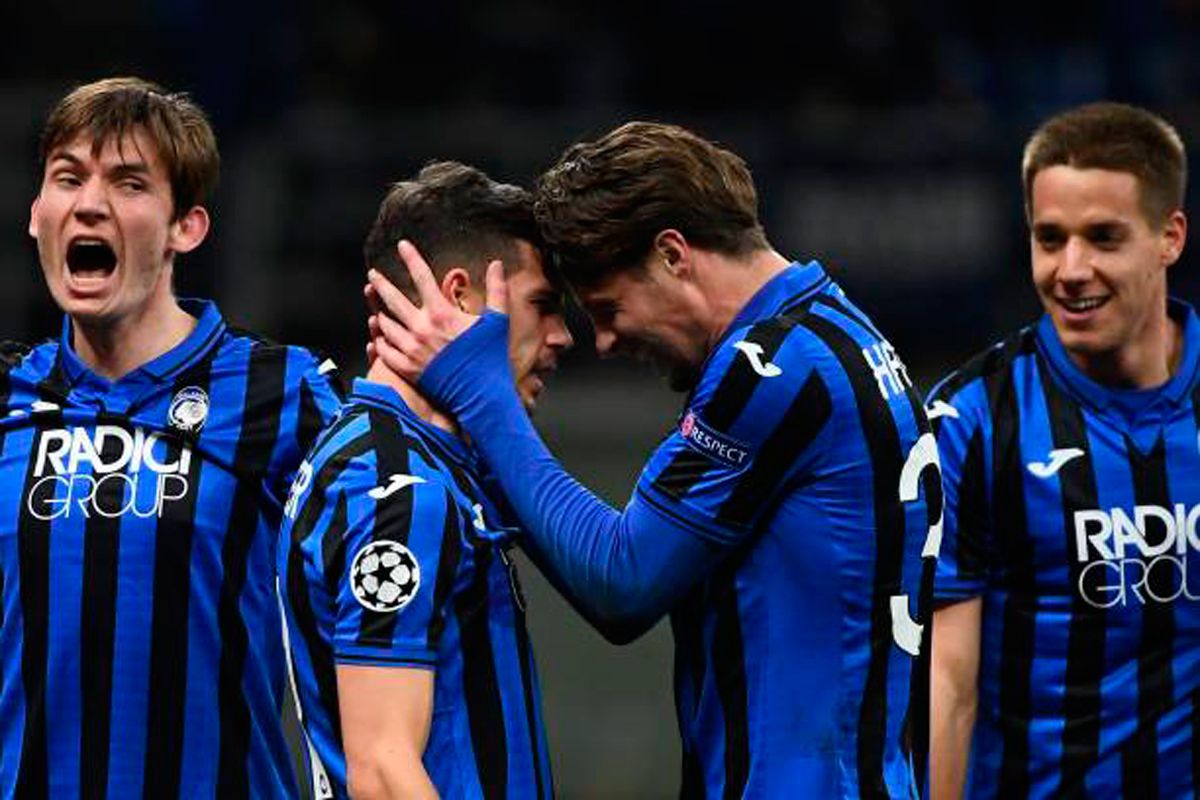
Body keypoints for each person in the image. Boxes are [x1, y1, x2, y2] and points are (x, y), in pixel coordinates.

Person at [367, 122, 941, 797]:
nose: (604, 342)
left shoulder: (773, 366)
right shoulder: (839, 332)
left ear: (673, 255)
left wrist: (480, 396)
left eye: (608, 309)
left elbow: (622, 579)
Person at [0, 77, 343, 798]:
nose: (89, 202)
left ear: (187, 226)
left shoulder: (283, 395)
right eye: (68, 178)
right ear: (37, 214)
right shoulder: (6, 398)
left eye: (129, 183)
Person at [277, 161, 572, 798]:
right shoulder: (399, 489)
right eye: (542, 305)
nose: (561, 336)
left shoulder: (373, 457)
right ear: (461, 295)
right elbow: (383, 771)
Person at [928, 102, 1196, 798]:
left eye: (1103, 237)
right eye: (1050, 239)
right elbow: (946, 684)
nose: (1070, 270)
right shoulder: (972, 421)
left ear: (1170, 238)